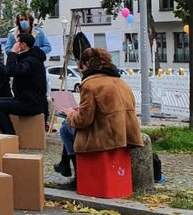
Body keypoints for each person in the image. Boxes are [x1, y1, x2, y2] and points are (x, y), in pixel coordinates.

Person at [55, 47, 143, 179]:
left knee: (65, 127)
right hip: (126, 134)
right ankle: (65, 165)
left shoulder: (89, 85)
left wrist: (70, 114)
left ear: (85, 64)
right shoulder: (121, 82)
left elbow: (83, 120)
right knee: (68, 126)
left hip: (104, 135)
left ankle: (78, 173)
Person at [0, 32, 48, 136]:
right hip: (28, 99)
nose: (15, 45)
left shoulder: (30, 61)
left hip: (31, 103)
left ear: (23, 45)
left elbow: (12, 71)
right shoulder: (33, 57)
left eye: (17, 43)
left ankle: (10, 136)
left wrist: (13, 53)